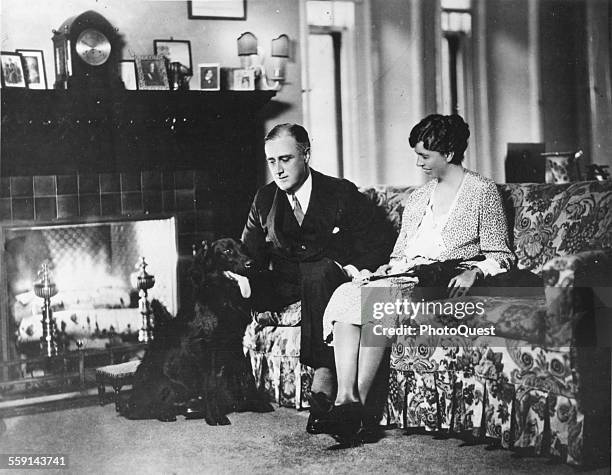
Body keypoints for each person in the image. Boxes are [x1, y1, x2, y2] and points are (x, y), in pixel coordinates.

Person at [316, 114, 516, 442]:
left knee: (376, 301)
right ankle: (345, 403)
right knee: (348, 293)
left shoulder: (482, 191)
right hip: (405, 276)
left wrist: (474, 271)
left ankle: (359, 414)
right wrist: (381, 271)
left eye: (425, 156)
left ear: (449, 154)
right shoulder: (418, 198)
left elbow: (501, 254)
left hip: (438, 280)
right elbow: (399, 256)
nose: (418, 162)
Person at [240, 123, 393, 434]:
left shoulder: (340, 192)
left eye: (285, 159)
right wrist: (253, 291)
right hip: (284, 282)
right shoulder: (264, 199)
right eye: (272, 162)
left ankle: (324, 376)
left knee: (319, 270)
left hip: (329, 277)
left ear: (306, 154)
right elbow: (249, 255)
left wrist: (356, 268)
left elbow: (378, 241)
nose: (278, 171)